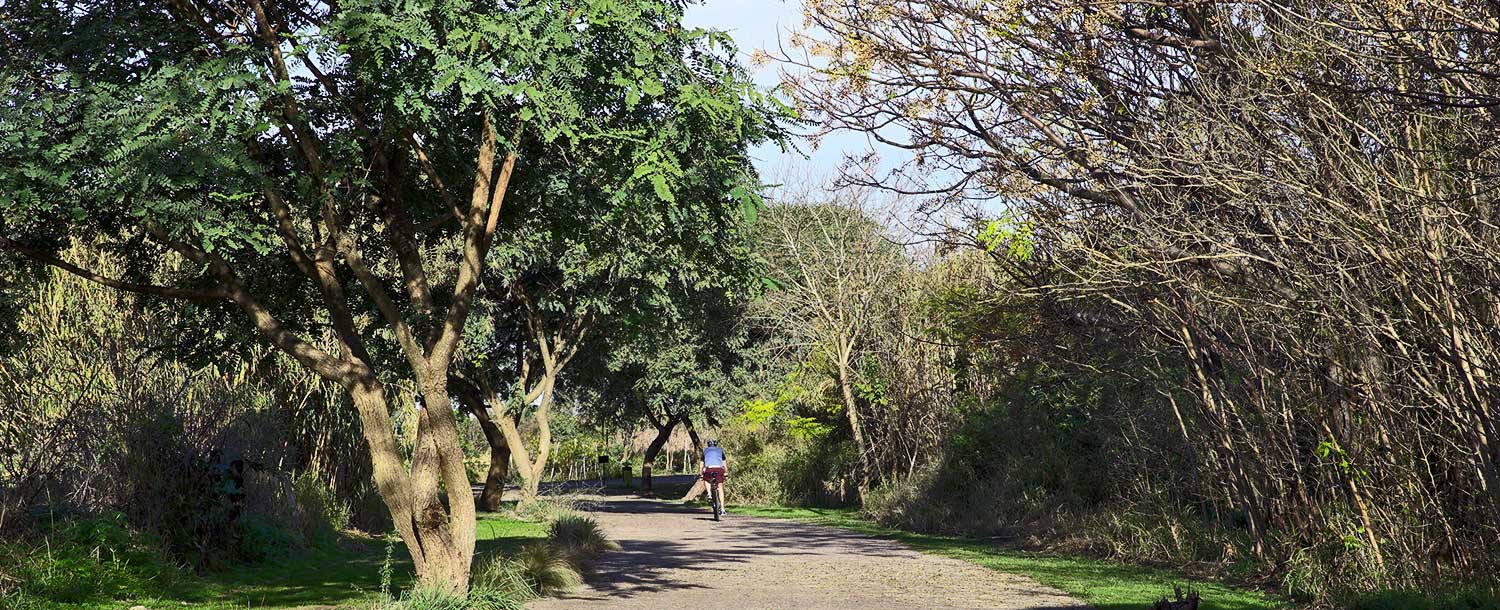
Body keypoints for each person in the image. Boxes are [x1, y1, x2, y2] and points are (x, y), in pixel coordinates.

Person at [701, 439, 727, 515]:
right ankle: (722, 509)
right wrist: (726, 473)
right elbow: (724, 464)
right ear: (716, 444)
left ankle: (709, 494)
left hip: (709, 469)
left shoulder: (705, 451)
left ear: (708, 444)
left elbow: (701, 464)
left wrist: (701, 474)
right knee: (720, 486)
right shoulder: (720, 450)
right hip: (719, 469)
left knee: (706, 479)